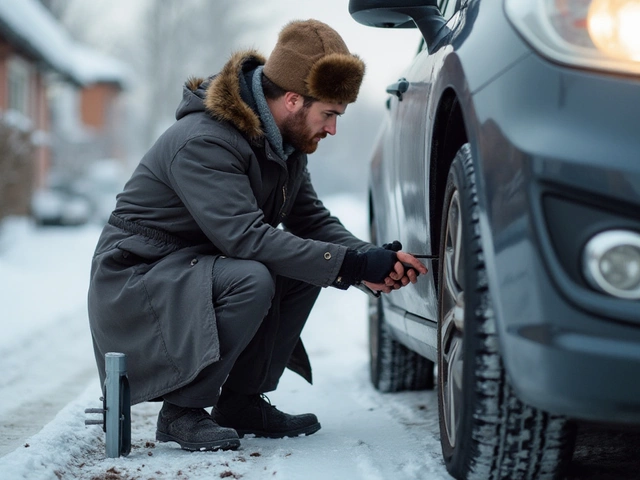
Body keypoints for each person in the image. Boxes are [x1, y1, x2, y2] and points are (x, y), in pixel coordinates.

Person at [87, 19, 427, 452]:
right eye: (329, 114)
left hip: (195, 269)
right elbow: (244, 239)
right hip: (138, 280)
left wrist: (369, 259)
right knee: (254, 277)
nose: (332, 129)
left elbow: (312, 222)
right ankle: (181, 412)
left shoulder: (283, 144)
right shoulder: (204, 141)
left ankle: (242, 404)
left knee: (306, 266)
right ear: (292, 100)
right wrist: (353, 266)